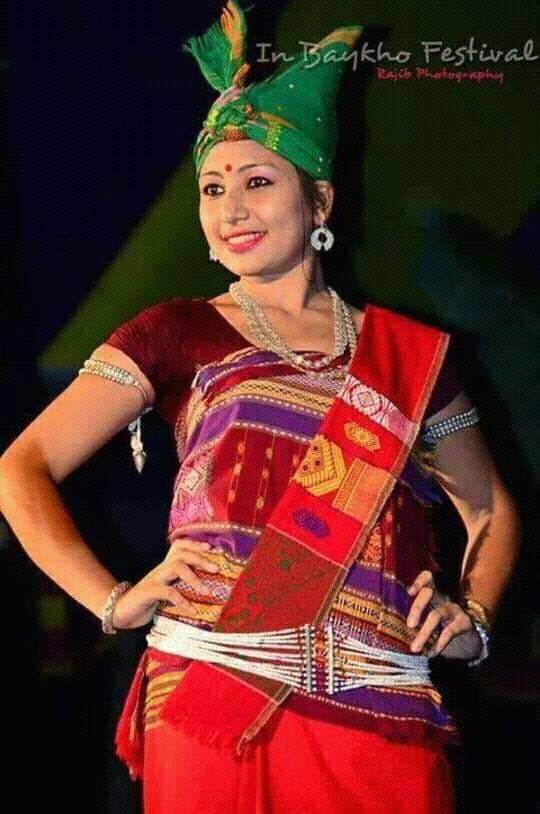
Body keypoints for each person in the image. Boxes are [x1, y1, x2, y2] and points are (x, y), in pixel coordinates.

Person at [0, 3, 521, 812]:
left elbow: (489, 506)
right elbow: (21, 465)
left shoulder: (408, 356)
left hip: (381, 699)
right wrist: (111, 599)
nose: (231, 208)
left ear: (320, 202)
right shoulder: (176, 331)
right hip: (216, 691)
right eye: (213, 188)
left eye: (258, 181)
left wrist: (475, 618)